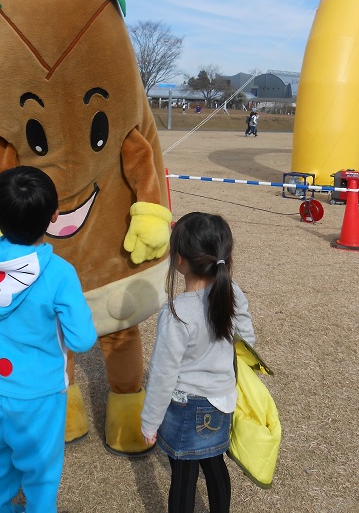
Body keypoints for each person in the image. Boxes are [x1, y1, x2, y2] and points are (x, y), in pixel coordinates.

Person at [0, 166, 97, 513]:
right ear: (54, 216)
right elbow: (82, 339)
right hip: (41, 393)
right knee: (42, 468)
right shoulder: (59, 272)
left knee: (0, 456)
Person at [141, 213, 255, 513]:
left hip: (187, 406)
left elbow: (163, 374)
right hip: (222, 400)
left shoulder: (178, 312)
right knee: (214, 464)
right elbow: (247, 342)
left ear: (179, 259)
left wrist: (150, 422)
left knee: (183, 474)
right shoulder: (231, 292)